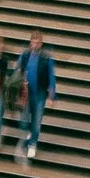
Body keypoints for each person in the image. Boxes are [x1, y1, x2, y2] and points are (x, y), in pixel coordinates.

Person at [19, 32, 56, 162]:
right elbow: (18, 69)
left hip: (39, 93)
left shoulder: (46, 58)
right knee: (24, 119)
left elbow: (51, 77)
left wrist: (51, 95)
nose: (34, 45)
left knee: (37, 119)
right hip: (26, 92)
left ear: (41, 43)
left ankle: (32, 143)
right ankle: (30, 133)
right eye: (33, 42)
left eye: (37, 42)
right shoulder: (24, 55)